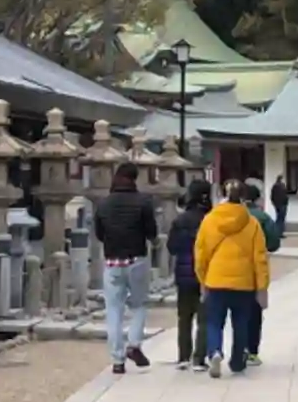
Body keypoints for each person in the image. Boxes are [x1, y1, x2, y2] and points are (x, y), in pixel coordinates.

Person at [195, 180, 270, 377]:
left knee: (214, 321)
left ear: (222, 196)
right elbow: (260, 258)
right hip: (244, 282)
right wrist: (262, 286)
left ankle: (215, 351)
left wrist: (202, 279)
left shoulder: (210, 220)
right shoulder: (252, 223)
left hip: (216, 279)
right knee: (241, 322)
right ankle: (237, 361)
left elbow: (201, 254)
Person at [95, 160, 158, 375]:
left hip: (112, 260)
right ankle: (134, 344)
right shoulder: (143, 201)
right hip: (137, 258)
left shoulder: (104, 203)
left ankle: (117, 360)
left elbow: (99, 233)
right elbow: (151, 232)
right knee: (139, 304)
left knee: (114, 309)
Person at [166, 179, 212, 369]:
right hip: (206, 273)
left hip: (183, 272)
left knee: (184, 317)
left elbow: (172, 246)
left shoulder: (180, 220)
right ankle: (199, 358)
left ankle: (183, 357)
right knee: (205, 318)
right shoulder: (211, 219)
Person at [241, 180, 282, 366]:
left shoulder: (231, 215)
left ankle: (238, 348)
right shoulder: (263, 218)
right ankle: (252, 351)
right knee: (254, 312)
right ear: (258, 199)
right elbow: (273, 243)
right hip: (256, 268)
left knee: (237, 312)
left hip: (232, 268)